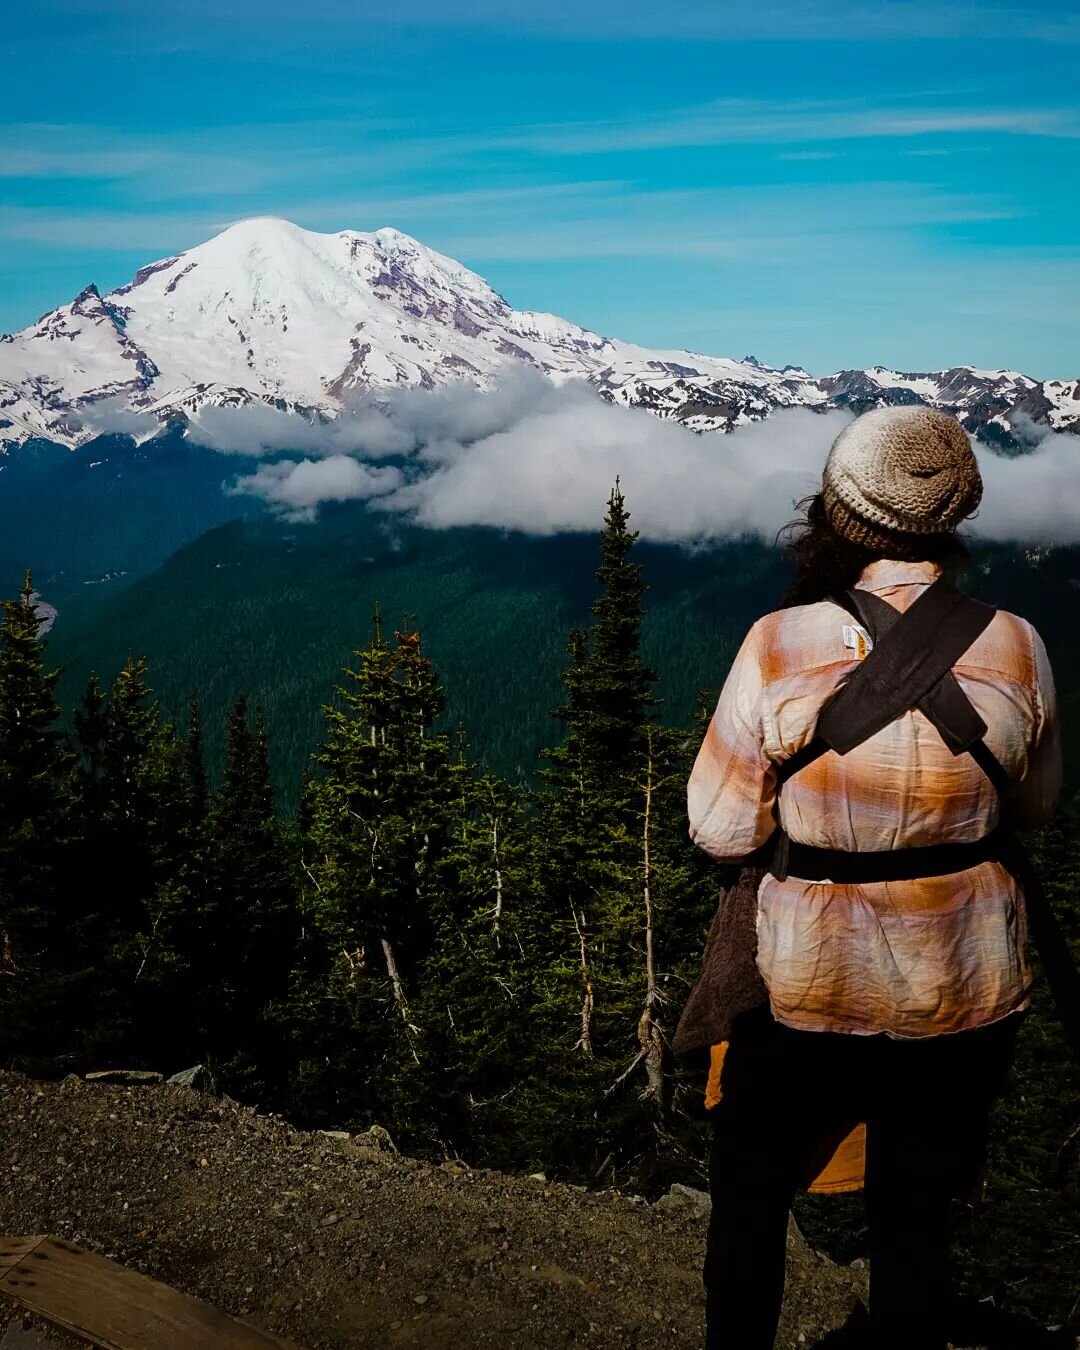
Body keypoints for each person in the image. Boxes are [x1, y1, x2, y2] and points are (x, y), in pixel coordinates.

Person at [685, 406, 1061, 1350]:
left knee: (751, 1190)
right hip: (967, 978)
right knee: (917, 1209)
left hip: (810, 978)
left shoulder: (779, 641)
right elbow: (1038, 809)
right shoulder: (1018, 643)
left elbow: (720, 825)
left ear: (839, 517)